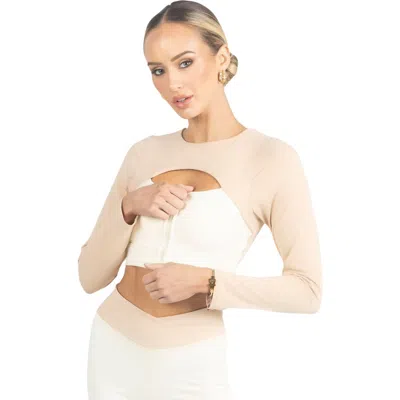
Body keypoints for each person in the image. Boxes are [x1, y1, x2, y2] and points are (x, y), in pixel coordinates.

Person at [78, 1, 323, 399]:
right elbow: (89, 277)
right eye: (158, 70)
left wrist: (207, 282)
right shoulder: (143, 153)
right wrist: (129, 206)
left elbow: (307, 291)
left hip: (191, 361)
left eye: (185, 63)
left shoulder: (271, 158)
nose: (172, 83)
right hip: (112, 346)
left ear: (221, 57)